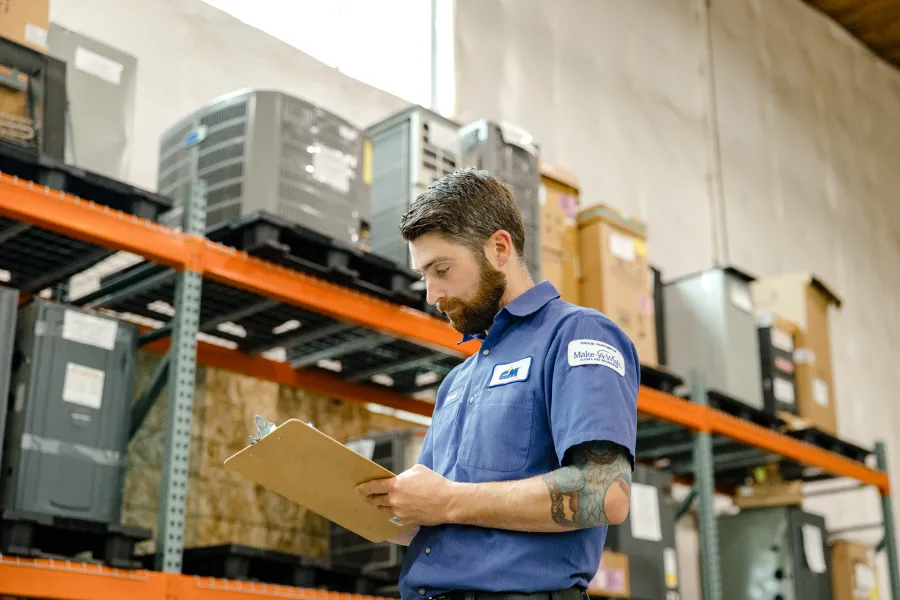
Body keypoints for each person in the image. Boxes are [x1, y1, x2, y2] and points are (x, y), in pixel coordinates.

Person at [355, 167, 639, 600]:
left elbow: (605, 493)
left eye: (442, 269)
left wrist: (448, 500)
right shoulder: (458, 382)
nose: (431, 294)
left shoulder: (577, 335)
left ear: (499, 248)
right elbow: (437, 510)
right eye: (423, 275)